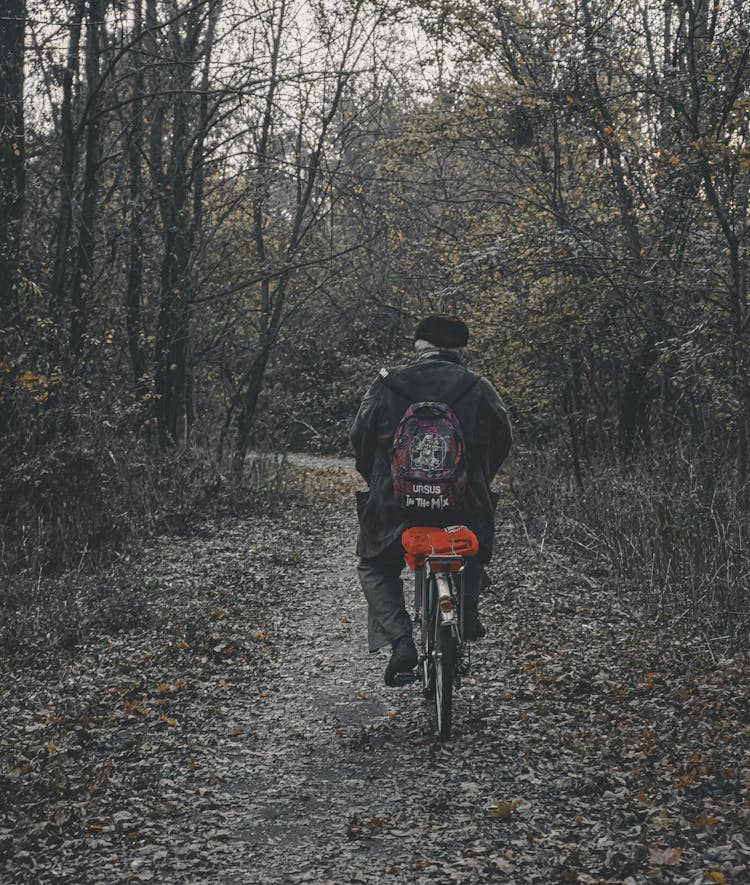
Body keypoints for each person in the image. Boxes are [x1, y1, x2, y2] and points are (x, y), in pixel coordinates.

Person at [351, 315, 512, 686]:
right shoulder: (477, 386)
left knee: (374, 566)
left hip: (394, 506)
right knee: (467, 544)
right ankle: (467, 613)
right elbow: (503, 439)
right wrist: (477, 480)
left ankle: (401, 641)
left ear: (419, 347)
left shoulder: (388, 383)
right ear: (459, 349)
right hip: (463, 503)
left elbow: (360, 437)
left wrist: (378, 482)